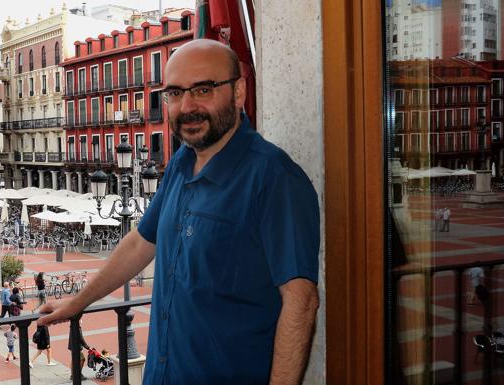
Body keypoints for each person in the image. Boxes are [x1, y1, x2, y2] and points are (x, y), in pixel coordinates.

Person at [39, 39, 320, 385]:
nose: (187, 106)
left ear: (239, 91)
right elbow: (141, 242)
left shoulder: (273, 178)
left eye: (203, 89)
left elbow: (301, 302)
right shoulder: (180, 164)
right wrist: (77, 303)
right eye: (174, 93)